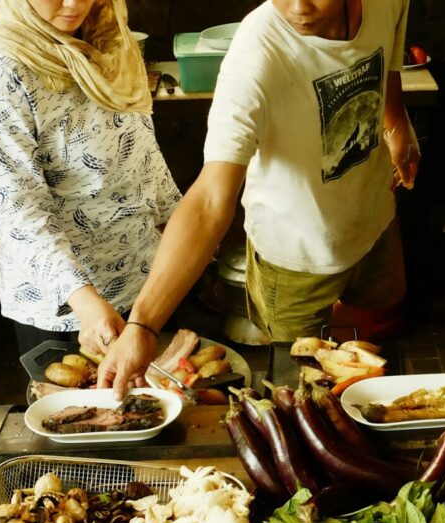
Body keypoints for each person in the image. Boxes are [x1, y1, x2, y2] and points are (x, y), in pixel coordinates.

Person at [97, 0, 419, 394]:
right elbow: (210, 200)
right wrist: (143, 325)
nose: (298, 7)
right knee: (306, 395)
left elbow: (384, 61)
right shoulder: (257, 53)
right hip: (296, 254)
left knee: (362, 359)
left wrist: (397, 124)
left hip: (373, 220)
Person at [0, 0, 182, 358]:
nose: (75, 4)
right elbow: (17, 208)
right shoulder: (2, 68)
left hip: (147, 284)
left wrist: (177, 226)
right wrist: (85, 302)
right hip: (67, 308)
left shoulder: (110, 41)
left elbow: (142, 153)